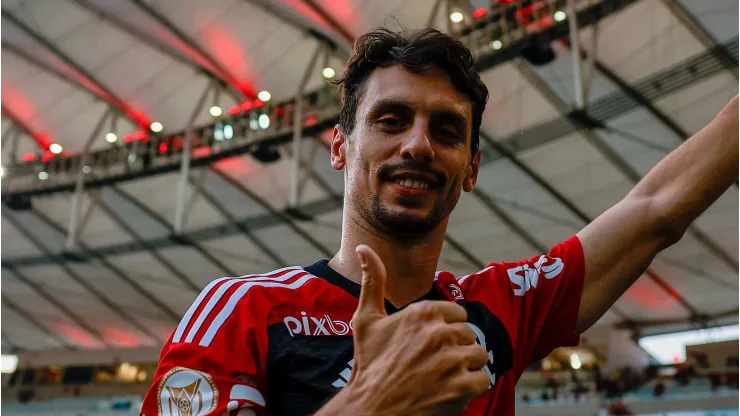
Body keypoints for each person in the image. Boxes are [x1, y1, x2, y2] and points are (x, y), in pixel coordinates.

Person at [140, 27, 738, 416]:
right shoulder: (242, 311)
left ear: (471, 166)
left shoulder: (498, 310)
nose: (420, 145)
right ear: (341, 146)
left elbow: (657, 210)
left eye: (446, 130)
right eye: (392, 120)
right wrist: (369, 402)